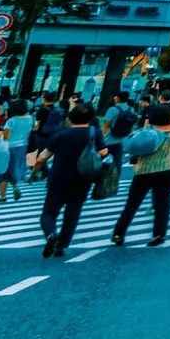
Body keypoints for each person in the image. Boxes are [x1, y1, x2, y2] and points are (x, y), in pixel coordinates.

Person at [111, 102, 170, 247]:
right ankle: (159, 234)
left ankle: (119, 234)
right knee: (163, 203)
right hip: (168, 169)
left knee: (132, 203)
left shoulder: (148, 131)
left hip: (144, 171)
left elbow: (133, 146)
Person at [32, 101, 104, 258]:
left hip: (58, 178)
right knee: (72, 213)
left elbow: (42, 158)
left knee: (49, 212)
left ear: (70, 118)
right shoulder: (95, 133)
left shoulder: (61, 135)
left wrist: (33, 173)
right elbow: (104, 152)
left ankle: (51, 235)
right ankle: (61, 246)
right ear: (91, 118)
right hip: (82, 179)